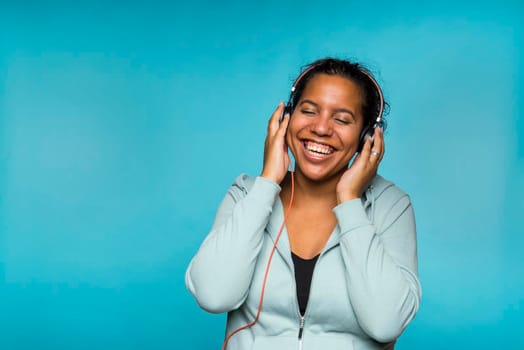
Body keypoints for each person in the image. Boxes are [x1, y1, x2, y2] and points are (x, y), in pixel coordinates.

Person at [185, 58, 421, 350]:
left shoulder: (389, 206)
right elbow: (213, 295)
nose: (321, 128)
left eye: (342, 119)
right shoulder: (247, 194)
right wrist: (268, 183)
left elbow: (386, 323)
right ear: (286, 118)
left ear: (367, 136)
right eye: (308, 111)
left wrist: (349, 201)